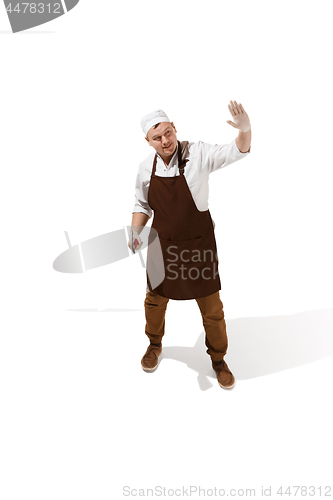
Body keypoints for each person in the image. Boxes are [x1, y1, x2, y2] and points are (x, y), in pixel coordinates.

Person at [129, 101, 251, 389]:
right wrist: (136, 231)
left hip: (198, 245)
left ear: (175, 129)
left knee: (211, 306)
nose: (165, 141)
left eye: (168, 132)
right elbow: (141, 204)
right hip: (162, 246)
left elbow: (237, 150)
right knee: (154, 300)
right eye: (157, 137)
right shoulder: (146, 168)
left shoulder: (198, 153)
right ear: (147, 141)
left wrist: (245, 130)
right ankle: (154, 345)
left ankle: (218, 359)